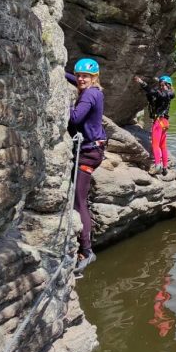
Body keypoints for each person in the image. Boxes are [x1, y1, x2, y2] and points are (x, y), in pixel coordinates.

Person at [66, 58, 107, 272]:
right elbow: (75, 79)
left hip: (88, 153)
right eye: (78, 74)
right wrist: (62, 74)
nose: (81, 79)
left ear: (94, 78)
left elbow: (74, 118)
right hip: (92, 149)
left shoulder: (90, 94)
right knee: (79, 198)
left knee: (79, 200)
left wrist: (61, 101)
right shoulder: (95, 90)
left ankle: (87, 250)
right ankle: (86, 246)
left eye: (86, 76)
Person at [133, 74, 175, 176]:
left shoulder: (162, 94)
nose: (161, 86)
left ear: (166, 85)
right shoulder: (171, 93)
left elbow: (151, 92)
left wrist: (141, 82)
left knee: (155, 145)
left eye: (163, 84)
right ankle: (165, 168)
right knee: (163, 146)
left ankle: (157, 166)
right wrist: (158, 80)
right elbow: (158, 92)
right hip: (165, 122)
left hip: (158, 122)